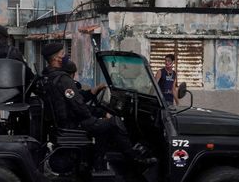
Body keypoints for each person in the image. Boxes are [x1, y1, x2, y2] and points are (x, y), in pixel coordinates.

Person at [39, 43, 156, 171]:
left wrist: (94, 99)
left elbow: (75, 102)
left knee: (104, 127)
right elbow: (80, 108)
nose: (65, 55)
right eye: (62, 53)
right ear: (56, 58)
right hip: (73, 123)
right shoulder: (63, 79)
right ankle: (136, 160)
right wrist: (99, 115)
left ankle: (98, 165)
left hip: (65, 122)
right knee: (115, 123)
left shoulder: (48, 76)